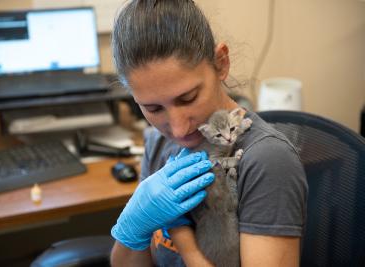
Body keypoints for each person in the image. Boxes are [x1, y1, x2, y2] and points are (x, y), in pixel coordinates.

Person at [110, 0, 308, 266]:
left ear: (221, 63)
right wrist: (132, 228)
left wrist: (183, 239)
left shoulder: (266, 159)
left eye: (188, 98)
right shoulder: (159, 142)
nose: (178, 129)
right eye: (153, 108)